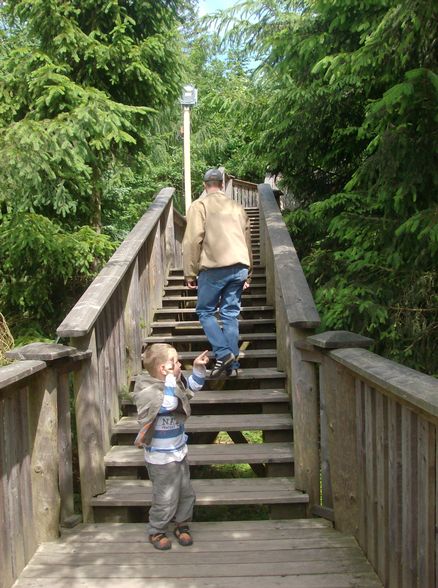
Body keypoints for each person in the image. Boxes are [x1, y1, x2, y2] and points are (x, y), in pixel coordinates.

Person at [132, 343, 209, 550]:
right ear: (163, 369)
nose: (179, 364)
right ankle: (156, 530)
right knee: (165, 497)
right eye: (175, 362)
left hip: (178, 452)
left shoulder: (173, 384)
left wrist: (198, 368)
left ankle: (182, 525)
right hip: (160, 458)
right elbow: (167, 404)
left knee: (186, 493)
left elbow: (192, 387)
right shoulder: (147, 389)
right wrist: (169, 380)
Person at [182, 168, 252, 378]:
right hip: (239, 266)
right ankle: (232, 367)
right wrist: (248, 273)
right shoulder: (237, 207)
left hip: (214, 268)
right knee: (230, 314)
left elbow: (193, 239)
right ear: (222, 184)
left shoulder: (200, 205)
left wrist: (190, 272)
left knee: (205, 311)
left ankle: (223, 353)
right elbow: (247, 240)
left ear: (205, 185)